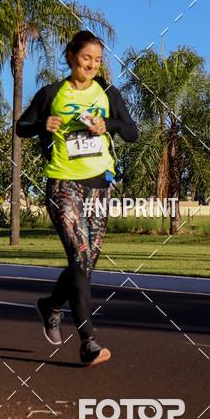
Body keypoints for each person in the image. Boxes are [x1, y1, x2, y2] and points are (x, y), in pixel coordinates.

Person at [16, 31, 138, 366]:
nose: (92, 65)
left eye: (98, 60)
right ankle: (89, 342)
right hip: (63, 182)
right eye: (87, 58)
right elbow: (21, 127)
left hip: (99, 184)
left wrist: (107, 125)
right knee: (80, 255)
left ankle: (52, 305)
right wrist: (44, 123)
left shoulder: (108, 92)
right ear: (71, 56)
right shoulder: (52, 92)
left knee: (85, 263)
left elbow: (132, 131)